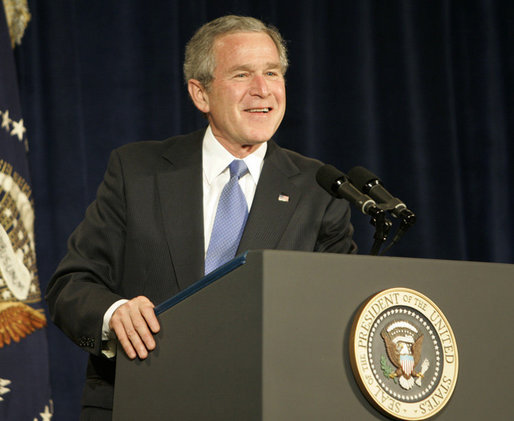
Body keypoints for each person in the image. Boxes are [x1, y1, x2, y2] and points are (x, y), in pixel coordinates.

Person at [46, 15, 356, 420]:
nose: (262, 90)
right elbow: (70, 285)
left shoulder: (320, 190)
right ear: (201, 94)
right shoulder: (138, 171)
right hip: (144, 400)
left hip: (268, 406)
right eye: (242, 74)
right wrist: (114, 313)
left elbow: (337, 314)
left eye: (272, 73)